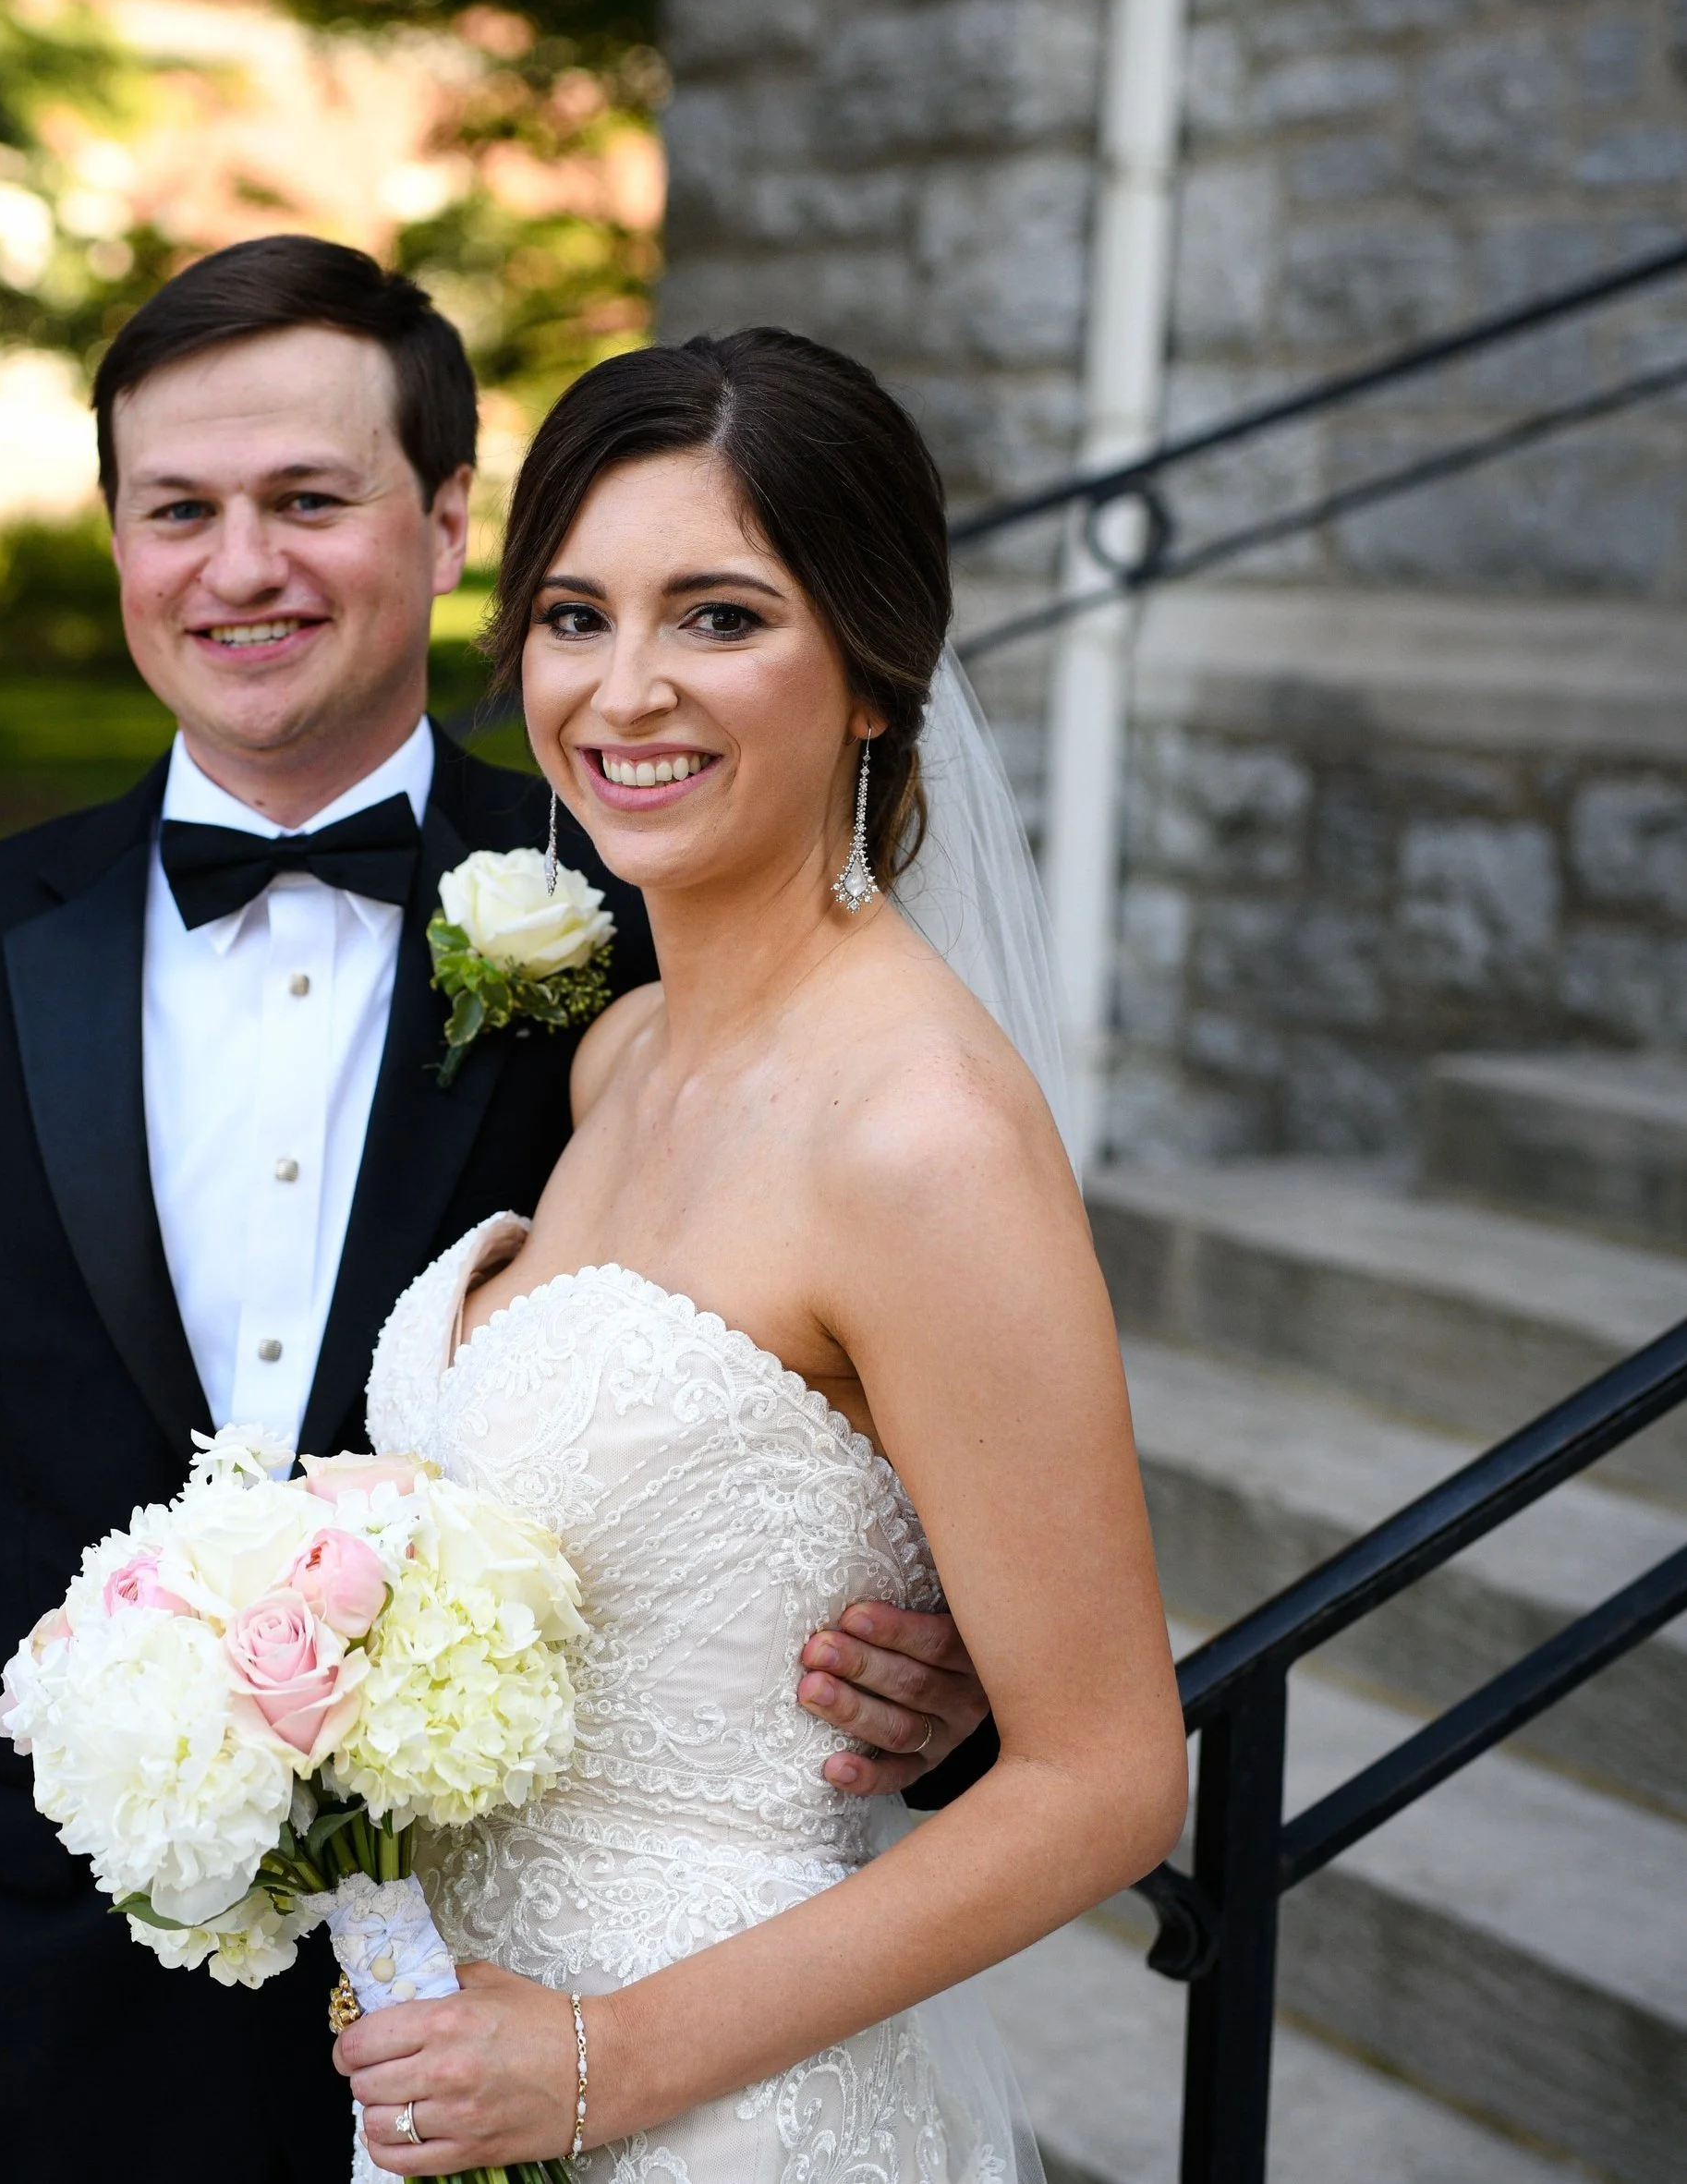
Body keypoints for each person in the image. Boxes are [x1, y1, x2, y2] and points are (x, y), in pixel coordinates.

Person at [0, 239, 998, 2184]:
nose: (241, 568)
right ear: (116, 535)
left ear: (447, 516)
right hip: (31, 1985)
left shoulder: (656, 877)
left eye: (308, 499)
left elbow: (895, 1382)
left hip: (509, 1975)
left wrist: (951, 1665)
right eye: (181, 510)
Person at [333, 327, 1190, 2181]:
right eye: (573, 615)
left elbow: (1106, 1772)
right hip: (461, 2065)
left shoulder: (919, 1132)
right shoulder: (617, 1046)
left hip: (720, 2100)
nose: (621, 690)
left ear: (871, 672)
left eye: (716, 617)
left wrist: (603, 2057)